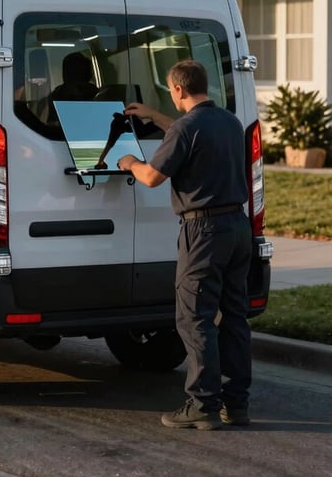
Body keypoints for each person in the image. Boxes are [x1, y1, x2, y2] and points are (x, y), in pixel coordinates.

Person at [116, 60, 251, 431]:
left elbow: (152, 177)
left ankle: (202, 405)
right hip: (238, 228)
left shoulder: (184, 129)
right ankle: (235, 404)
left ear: (177, 89)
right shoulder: (229, 122)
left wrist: (128, 161)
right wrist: (153, 116)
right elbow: (186, 133)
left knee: (195, 319)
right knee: (233, 317)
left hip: (203, 232)